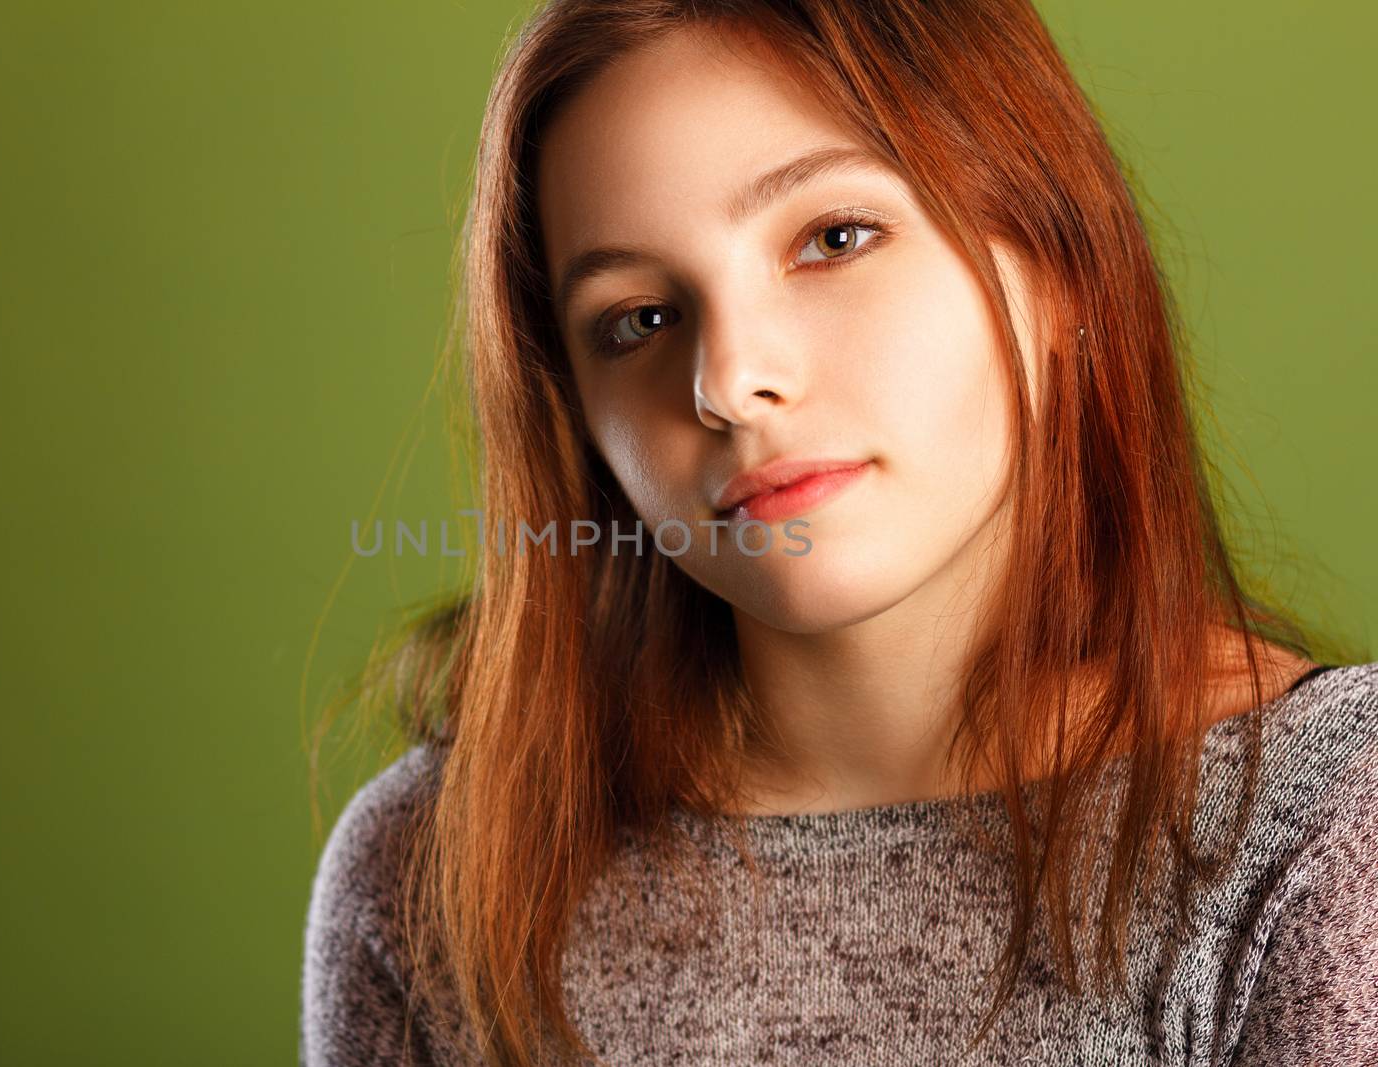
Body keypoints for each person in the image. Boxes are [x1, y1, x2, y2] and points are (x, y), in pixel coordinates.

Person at [301, 1, 1378, 1063]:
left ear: (1057, 273)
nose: (728, 382)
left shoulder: (1324, 824)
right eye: (639, 318)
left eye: (833, 238)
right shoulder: (439, 875)